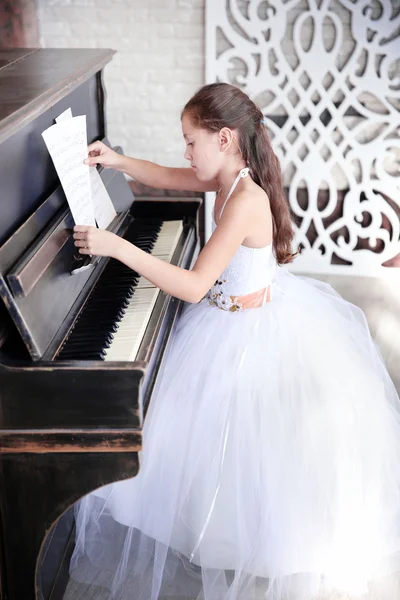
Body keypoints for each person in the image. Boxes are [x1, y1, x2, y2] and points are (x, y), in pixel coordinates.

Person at [69, 83, 400, 600]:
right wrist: (116, 160)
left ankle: (238, 546)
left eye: (190, 140)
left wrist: (116, 246)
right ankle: (205, 530)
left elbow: (195, 285)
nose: (185, 151)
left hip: (247, 331)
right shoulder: (223, 175)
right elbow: (168, 175)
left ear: (223, 139)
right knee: (192, 436)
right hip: (222, 319)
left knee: (238, 442)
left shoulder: (246, 200)